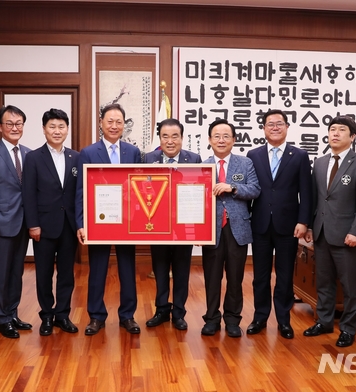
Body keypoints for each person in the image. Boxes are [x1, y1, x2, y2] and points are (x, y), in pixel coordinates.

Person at [304, 115, 356, 347]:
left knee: (350, 285)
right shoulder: (321, 162)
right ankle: (324, 322)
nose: (335, 133)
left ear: (352, 136)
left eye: (341, 130)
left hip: (348, 236)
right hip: (322, 232)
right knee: (324, 283)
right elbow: (316, 199)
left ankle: (347, 329)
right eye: (332, 129)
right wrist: (311, 227)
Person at [76, 103, 142, 335]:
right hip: (99, 221)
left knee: (127, 268)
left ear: (124, 125)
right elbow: (81, 191)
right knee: (98, 268)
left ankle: (127, 315)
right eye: (110, 121)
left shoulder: (132, 152)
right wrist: (81, 223)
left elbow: (139, 189)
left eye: (119, 122)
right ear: (101, 123)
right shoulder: (88, 153)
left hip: (126, 222)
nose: (114, 126)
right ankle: (96, 316)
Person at [246, 109, 312, 339]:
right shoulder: (253, 155)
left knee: (285, 276)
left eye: (279, 123)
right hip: (260, 224)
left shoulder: (300, 156)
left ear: (286, 127)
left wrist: (304, 221)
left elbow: (306, 191)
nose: (274, 127)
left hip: (289, 226)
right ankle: (260, 317)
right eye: (270, 124)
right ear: (263, 128)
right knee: (260, 276)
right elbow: (249, 189)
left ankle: (284, 321)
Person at [23, 108, 80, 336]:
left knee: (67, 273)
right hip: (44, 227)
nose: (57, 131)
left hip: (69, 225)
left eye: (61, 126)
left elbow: (79, 193)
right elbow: (28, 194)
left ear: (67, 129)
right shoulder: (34, 158)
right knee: (44, 273)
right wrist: (33, 225)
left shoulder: (76, 157)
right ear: (44, 129)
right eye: (52, 127)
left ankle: (63, 315)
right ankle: (46, 316)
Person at [201, 119, 260, 338]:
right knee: (212, 277)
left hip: (238, 229)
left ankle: (233, 319)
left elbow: (255, 189)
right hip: (211, 230)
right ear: (209, 140)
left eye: (226, 136)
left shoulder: (245, 164)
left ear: (234, 140)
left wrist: (232, 187)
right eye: (216, 136)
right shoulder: (202, 165)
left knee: (235, 277)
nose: (221, 140)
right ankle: (211, 318)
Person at [0, 105, 33, 339]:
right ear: (0, 126)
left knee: (16, 272)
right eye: (9, 123)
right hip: (1, 223)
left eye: (19, 123)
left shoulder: (29, 153)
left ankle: (12, 313)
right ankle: (1, 318)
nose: (14, 127)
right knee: (1, 273)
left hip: (23, 222)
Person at [143, 118, 202, 331]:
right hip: (156, 227)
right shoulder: (148, 158)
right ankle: (161, 309)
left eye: (174, 136)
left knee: (181, 270)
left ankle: (178, 312)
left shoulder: (194, 159)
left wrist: (197, 230)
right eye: (165, 136)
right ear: (159, 139)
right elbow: (140, 189)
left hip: (183, 227)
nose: (170, 141)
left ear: (181, 138)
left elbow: (200, 193)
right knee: (159, 270)